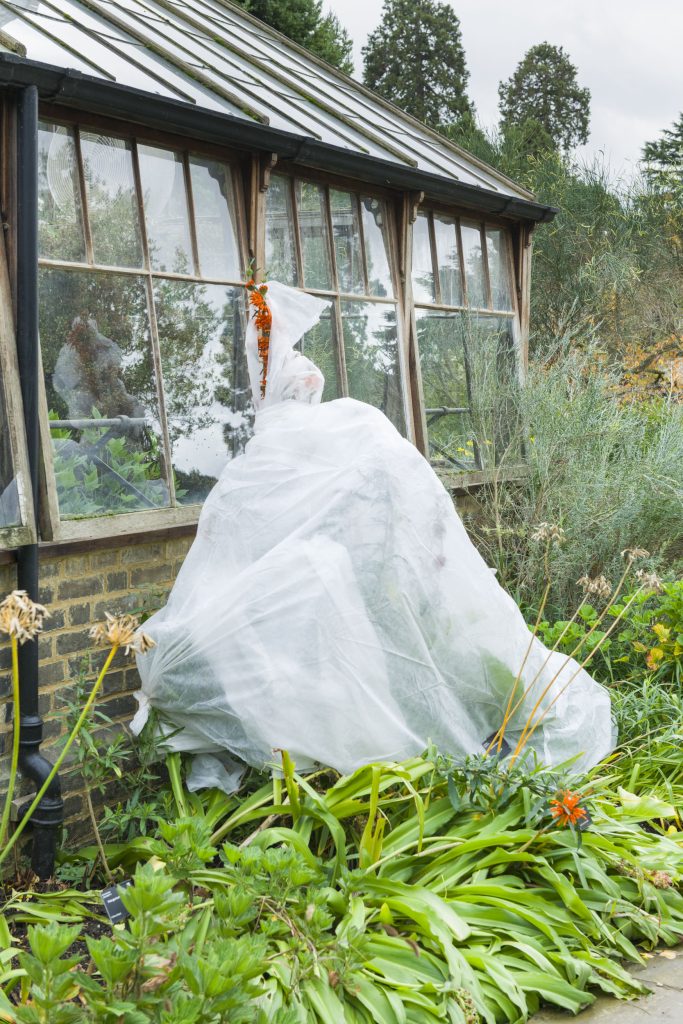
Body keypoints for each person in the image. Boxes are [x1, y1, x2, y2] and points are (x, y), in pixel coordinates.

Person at [133, 281, 614, 786]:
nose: (308, 392)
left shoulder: (292, 447)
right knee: (344, 689)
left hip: (322, 603)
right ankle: (346, 763)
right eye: (300, 386)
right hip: (312, 606)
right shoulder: (308, 441)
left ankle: (343, 764)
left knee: (358, 687)